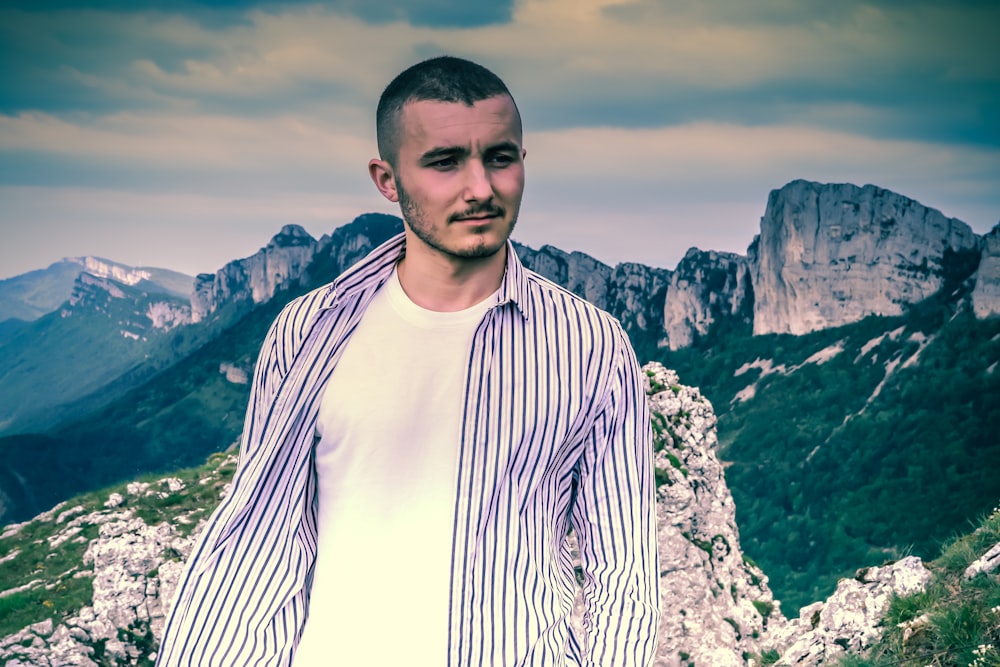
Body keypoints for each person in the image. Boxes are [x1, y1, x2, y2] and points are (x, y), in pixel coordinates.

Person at [156, 55, 660, 667]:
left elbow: (623, 571)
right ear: (386, 179)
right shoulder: (308, 331)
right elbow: (265, 541)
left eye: (500, 157)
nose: (481, 187)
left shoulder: (592, 346)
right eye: (445, 162)